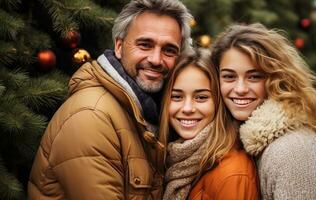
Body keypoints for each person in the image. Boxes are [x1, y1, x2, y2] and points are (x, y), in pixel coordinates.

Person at [28, 0, 193, 199]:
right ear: (119, 46)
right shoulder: (91, 117)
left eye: (169, 50)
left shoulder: (152, 111)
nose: (156, 60)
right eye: (145, 45)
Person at [211, 23, 316, 199]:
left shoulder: (292, 150)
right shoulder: (247, 140)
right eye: (229, 76)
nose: (240, 88)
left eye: (254, 76)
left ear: (276, 78)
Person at [159, 49, 259, 200]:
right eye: (177, 96)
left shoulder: (232, 173)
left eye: (201, 97)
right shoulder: (173, 161)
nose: (187, 109)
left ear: (218, 102)